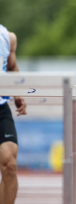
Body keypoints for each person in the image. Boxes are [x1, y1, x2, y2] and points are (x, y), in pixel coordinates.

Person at [0, 24, 26, 204]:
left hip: (0, 107)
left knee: (10, 163)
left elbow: (12, 67)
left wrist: (18, 94)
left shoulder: (7, 37)